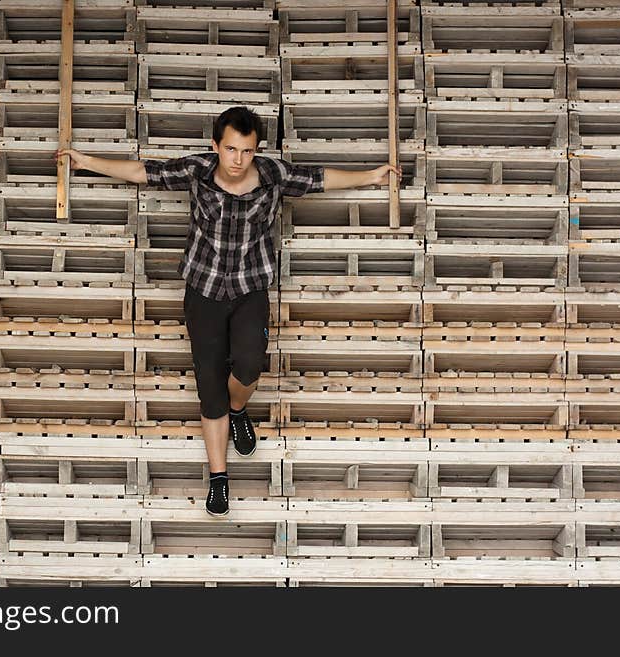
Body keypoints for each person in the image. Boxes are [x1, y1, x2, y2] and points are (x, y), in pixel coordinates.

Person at [55, 106, 402, 516]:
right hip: (203, 289)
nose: (238, 160)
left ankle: (239, 409)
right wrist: (84, 161)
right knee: (209, 383)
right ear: (216, 146)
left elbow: (321, 178)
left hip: (250, 287)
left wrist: (374, 175)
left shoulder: (273, 175)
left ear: (257, 150)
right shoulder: (197, 171)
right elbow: (143, 172)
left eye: (248, 151)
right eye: (231, 149)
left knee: (250, 366)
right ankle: (219, 479)